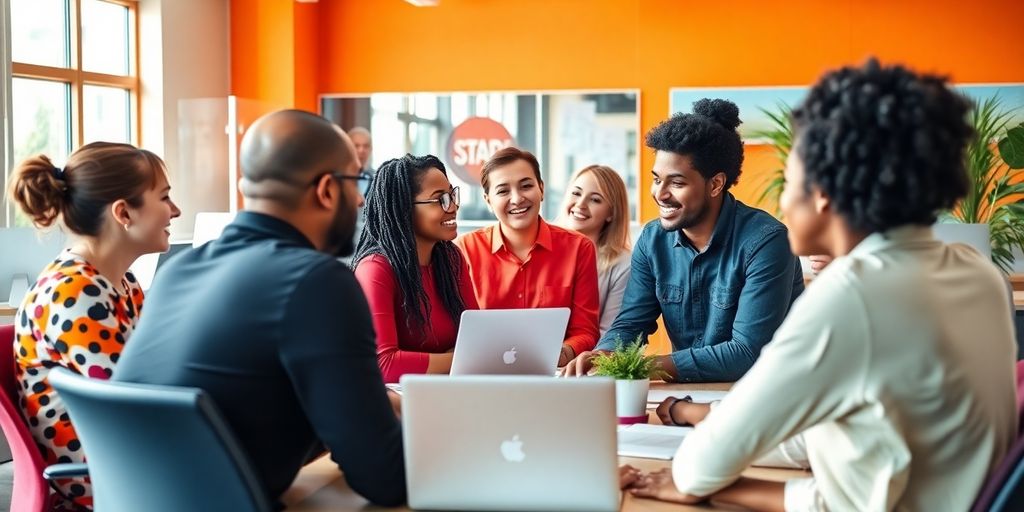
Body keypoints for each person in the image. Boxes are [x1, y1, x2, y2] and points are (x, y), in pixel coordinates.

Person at [623, 60, 1017, 511]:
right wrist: (706, 442)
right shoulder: (980, 275)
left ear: (823, 192)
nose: (784, 202)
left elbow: (695, 470)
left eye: (788, 182)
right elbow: (862, 455)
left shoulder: (851, 295)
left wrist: (701, 475)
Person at [113, 110, 406, 508]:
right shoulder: (317, 282)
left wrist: (363, 407)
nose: (360, 198)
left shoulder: (179, 270)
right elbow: (383, 477)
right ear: (326, 190)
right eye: (355, 182)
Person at [565, 99, 804, 382]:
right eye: (657, 179)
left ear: (715, 184)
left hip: (769, 394)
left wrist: (638, 367)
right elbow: (631, 324)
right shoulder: (652, 241)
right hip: (689, 394)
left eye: (676, 183)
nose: (661, 194)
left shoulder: (766, 242)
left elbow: (746, 352)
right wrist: (604, 353)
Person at [8, 142, 181, 510]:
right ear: (123, 213)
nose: (175, 211)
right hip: (105, 481)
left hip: (129, 465)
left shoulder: (122, 282)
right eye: (165, 198)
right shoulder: (77, 291)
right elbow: (137, 400)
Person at [455, 147, 599, 366]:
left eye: (526, 186)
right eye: (503, 191)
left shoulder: (579, 248)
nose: (517, 198)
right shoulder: (463, 250)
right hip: (483, 372)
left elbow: (585, 330)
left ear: (541, 188)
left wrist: (561, 354)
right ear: (488, 200)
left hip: (553, 374)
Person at [353, 154, 479, 383]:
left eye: (452, 195)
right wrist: (457, 359)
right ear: (404, 209)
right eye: (439, 199)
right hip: (402, 405)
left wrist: (466, 356)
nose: (453, 207)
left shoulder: (451, 259)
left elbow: (476, 337)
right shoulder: (375, 269)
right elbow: (383, 364)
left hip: (453, 391)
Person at [558, 164, 632, 336]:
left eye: (595, 199)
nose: (581, 204)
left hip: (585, 359)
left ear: (611, 213)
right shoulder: (539, 248)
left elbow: (610, 334)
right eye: (576, 193)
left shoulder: (623, 264)